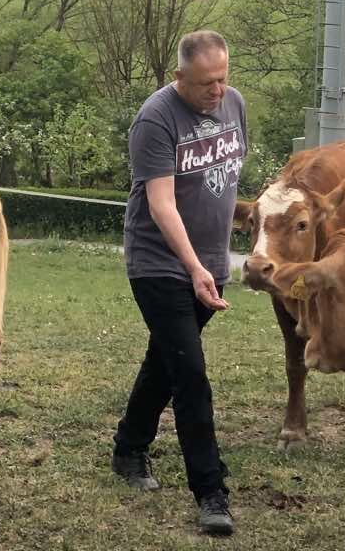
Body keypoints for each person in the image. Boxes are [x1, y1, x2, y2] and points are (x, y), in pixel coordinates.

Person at [110, 29, 246, 537]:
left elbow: (227, 179)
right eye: (207, 82)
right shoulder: (156, 119)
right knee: (190, 375)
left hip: (211, 265)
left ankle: (129, 447)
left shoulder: (234, 105)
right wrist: (194, 266)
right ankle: (211, 492)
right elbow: (162, 205)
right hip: (160, 265)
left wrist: (219, 256)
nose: (217, 91)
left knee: (167, 362)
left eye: (223, 79)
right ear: (179, 78)